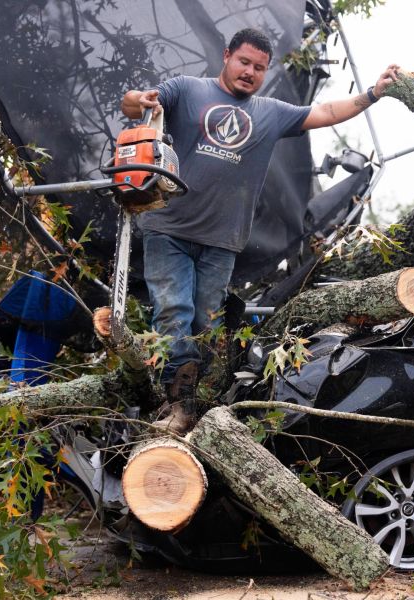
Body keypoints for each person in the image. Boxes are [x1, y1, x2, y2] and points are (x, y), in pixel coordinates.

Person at [120, 27, 399, 431]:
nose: (250, 72)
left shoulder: (270, 112)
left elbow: (326, 112)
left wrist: (372, 93)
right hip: (169, 228)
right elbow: (136, 105)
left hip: (222, 240)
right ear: (227, 56)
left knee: (206, 324)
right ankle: (174, 406)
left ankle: (201, 406)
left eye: (259, 68)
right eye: (244, 62)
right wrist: (136, 100)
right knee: (173, 312)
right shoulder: (186, 89)